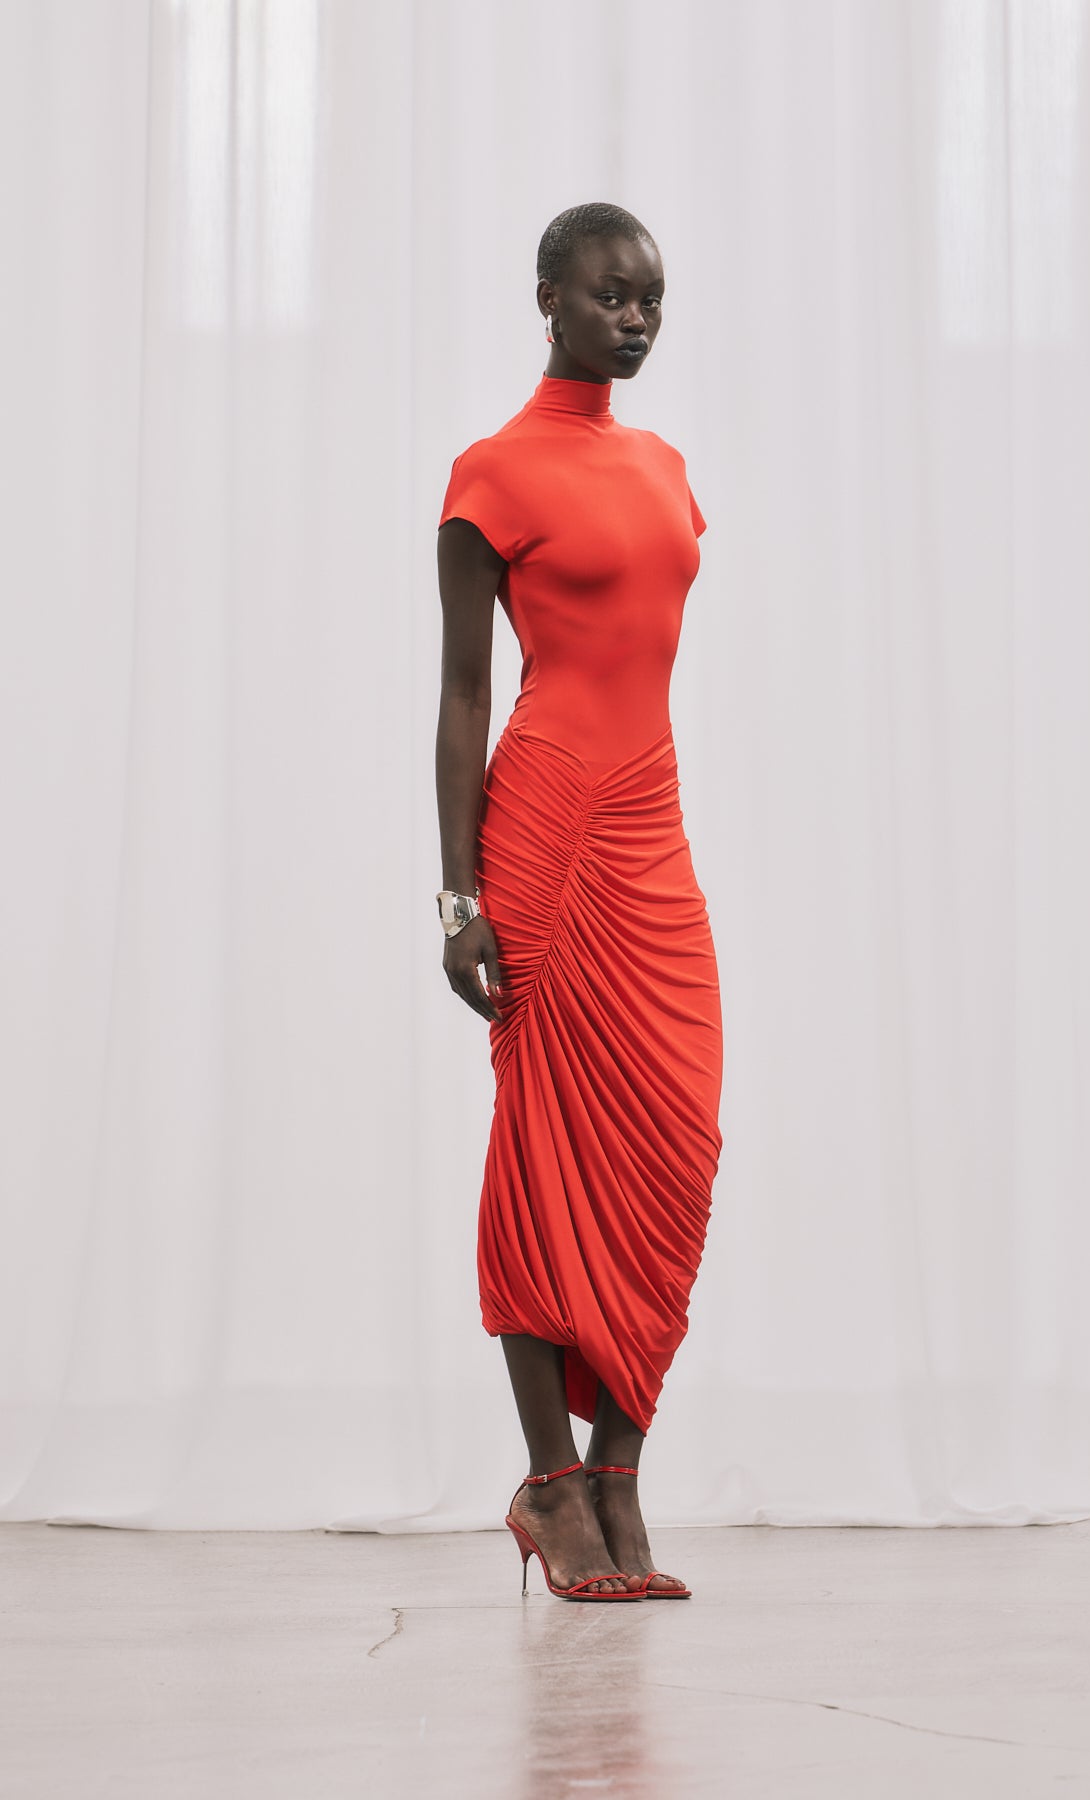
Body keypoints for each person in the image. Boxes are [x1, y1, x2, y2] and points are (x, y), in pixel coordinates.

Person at [435, 202, 722, 1602]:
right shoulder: (492, 474)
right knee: (542, 1150)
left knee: (676, 1144)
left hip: (649, 826)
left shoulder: (666, 468)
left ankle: (618, 1474)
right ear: (547, 298)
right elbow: (462, 696)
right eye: (610, 296)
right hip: (544, 833)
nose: (635, 319)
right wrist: (458, 898)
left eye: (651, 299)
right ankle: (552, 1487)